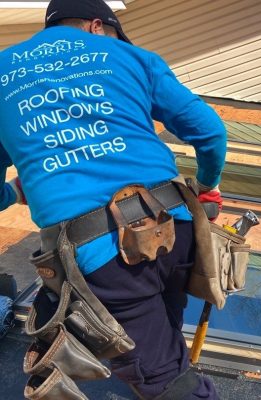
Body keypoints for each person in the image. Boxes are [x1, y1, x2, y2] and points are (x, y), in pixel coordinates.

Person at [0, 0, 226, 399]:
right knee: (166, 341)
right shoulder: (133, 57)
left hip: (103, 260)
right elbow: (210, 132)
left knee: (164, 380)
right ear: (96, 26)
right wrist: (207, 187)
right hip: (176, 226)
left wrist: (14, 192)